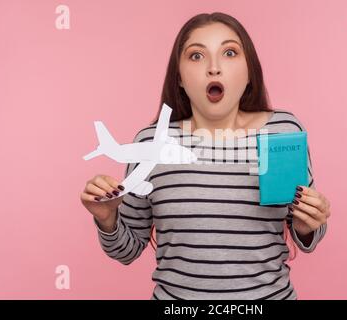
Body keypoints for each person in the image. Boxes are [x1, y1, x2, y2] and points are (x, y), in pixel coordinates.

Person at [80, 12, 331, 300]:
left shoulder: (283, 131)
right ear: (180, 78)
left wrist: (308, 224)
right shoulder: (151, 142)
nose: (214, 68)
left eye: (229, 52)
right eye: (197, 56)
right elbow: (126, 251)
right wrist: (107, 218)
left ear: (249, 71)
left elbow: (309, 237)